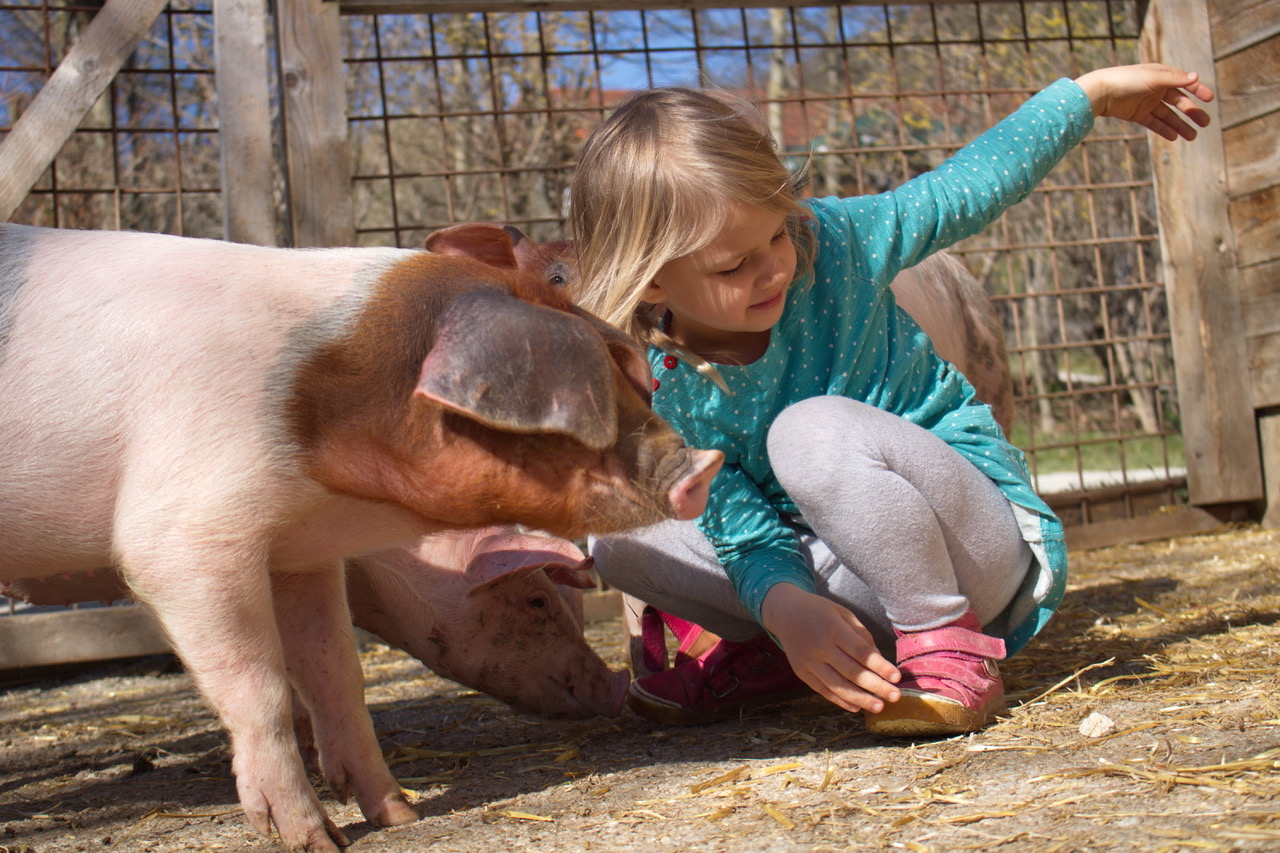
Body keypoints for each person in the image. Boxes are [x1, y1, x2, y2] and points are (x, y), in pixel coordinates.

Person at [567, 64, 1213, 737]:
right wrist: (787, 609)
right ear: (652, 283)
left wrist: (1086, 96)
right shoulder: (671, 386)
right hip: (846, 576)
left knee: (808, 432)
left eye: (777, 232)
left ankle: (947, 644)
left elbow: (968, 187)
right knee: (623, 532)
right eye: (733, 265)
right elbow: (745, 531)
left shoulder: (838, 243)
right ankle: (804, 653)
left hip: (967, 552)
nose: (775, 267)